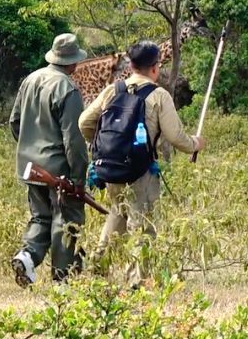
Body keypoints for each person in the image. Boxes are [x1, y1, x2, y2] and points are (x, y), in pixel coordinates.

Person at [79, 41, 206, 284]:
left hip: (111, 170)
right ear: (155, 68)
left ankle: (96, 270)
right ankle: (136, 283)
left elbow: (84, 122)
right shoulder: (158, 95)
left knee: (117, 214)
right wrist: (195, 144)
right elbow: (175, 137)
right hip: (141, 173)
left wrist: (101, 147)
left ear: (132, 65)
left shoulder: (113, 90)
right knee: (142, 227)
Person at [8, 33, 90, 287]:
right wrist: (78, 177)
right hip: (59, 171)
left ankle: (28, 256)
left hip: (30, 168)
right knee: (66, 220)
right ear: (73, 62)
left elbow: (15, 123)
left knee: (40, 217)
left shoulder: (30, 80)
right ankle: (61, 280)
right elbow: (74, 140)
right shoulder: (68, 89)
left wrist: (29, 149)